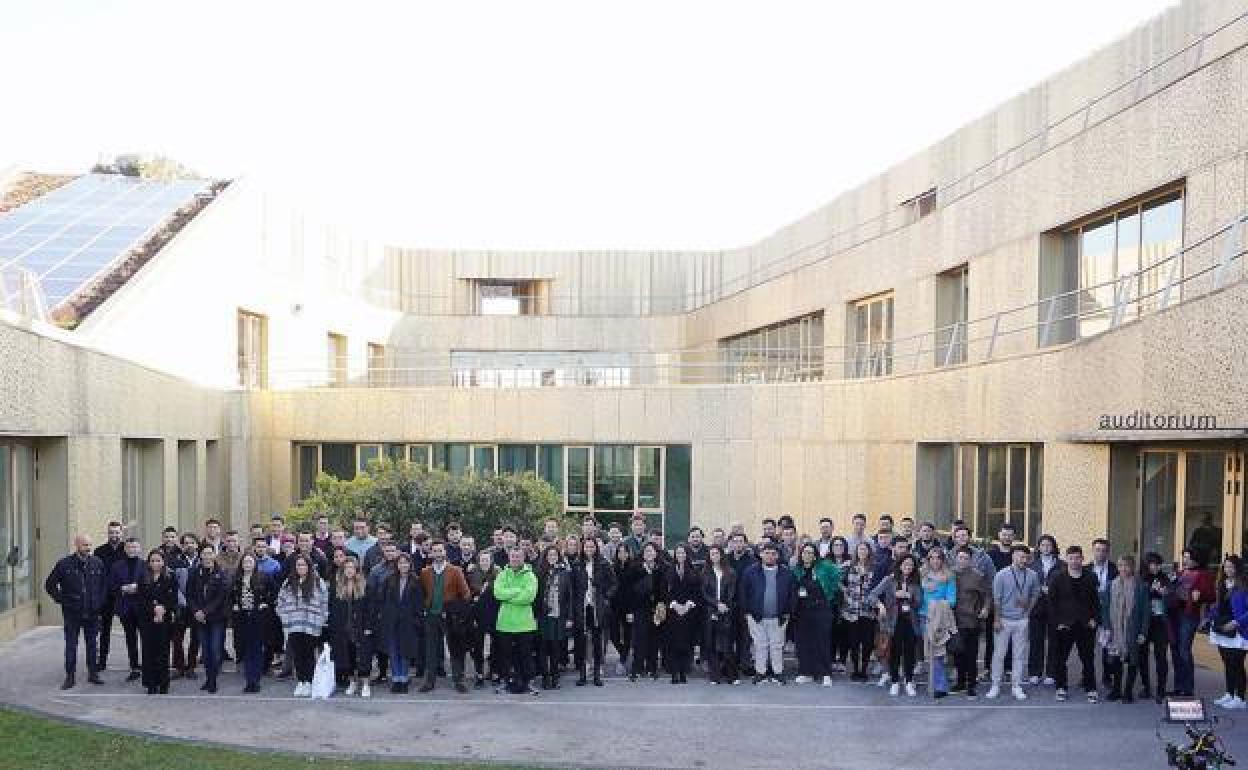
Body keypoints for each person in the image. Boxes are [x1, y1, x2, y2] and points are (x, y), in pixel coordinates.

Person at [45, 534, 108, 689]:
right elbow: (50, 585)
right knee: (71, 645)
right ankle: (70, 676)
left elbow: (104, 585)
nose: (88, 548)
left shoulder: (97, 563)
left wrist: (99, 602)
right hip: (72, 613)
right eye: (85, 545)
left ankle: (93, 674)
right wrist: (62, 600)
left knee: (92, 645)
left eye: (90, 545)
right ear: (77, 545)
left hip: (92, 613)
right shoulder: (64, 564)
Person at [1047, 544, 1101, 703]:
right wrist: (1057, 622)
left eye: (1077, 558)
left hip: (1086, 624)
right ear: (1066, 559)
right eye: (1071, 558)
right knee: (1060, 659)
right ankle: (1061, 687)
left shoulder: (1091, 577)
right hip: (1064, 625)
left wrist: (1095, 619)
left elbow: (1096, 601)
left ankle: (1091, 688)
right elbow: (1051, 603)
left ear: (1082, 559)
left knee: (1088, 659)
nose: (1074, 561)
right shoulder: (1057, 577)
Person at [418, 541, 472, 693]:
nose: (438, 554)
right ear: (431, 553)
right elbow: (421, 592)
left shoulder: (455, 571)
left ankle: (459, 680)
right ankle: (429, 681)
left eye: (440, 550)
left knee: (455, 649)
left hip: (450, 616)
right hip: (431, 616)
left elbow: (466, 594)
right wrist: (425, 608)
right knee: (431, 650)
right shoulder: (425, 572)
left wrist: (456, 609)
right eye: (435, 551)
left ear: (444, 552)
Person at [987, 544, 1039, 701]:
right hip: (1003, 619)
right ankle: (995, 685)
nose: (1023, 560)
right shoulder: (1001, 574)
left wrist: (1028, 609)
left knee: (1019, 655)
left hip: (1022, 620)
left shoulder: (1032, 575)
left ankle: (1016, 686)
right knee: (999, 654)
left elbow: (1035, 593)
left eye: (1026, 557)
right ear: (1013, 556)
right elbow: (996, 599)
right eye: (1020, 557)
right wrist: (997, 620)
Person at [740, 543, 796, 685]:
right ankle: (760, 672)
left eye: (773, 553)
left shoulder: (786, 573)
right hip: (756, 616)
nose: (770, 556)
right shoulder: (750, 572)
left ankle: (778, 672)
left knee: (777, 645)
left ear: (777, 556)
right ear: (761, 554)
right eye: (767, 553)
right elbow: (743, 592)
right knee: (760, 645)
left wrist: (788, 611)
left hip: (779, 616)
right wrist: (747, 612)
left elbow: (792, 594)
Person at [869, 553, 923, 697]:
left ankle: (909, 681)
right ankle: (894, 681)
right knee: (894, 652)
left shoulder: (916, 582)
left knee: (910, 653)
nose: (908, 567)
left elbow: (919, 603)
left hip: (911, 622)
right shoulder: (890, 580)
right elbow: (872, 595)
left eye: (911, 565)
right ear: (899, 565)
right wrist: (881, 605)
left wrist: (909, 596)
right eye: (906, 564)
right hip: (893, 622)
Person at [276, 554, 329, 697]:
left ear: (309, 566)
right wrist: (283, 615)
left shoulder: (318, 582)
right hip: (293, 624)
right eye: (298, 565)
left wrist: (322, 619)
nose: (301, 567)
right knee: (298, 654)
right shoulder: (288, 582)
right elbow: (280, 601)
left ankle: (309, 682)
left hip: (311, 624)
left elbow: (324, 602)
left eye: (304, 565)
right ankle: (301, 681)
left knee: (309, 654)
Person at [493, 546, 539, 695]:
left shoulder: (530, 575)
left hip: (524, 624)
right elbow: (498, 593)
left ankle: (529, 682)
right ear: (509, 557)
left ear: (523, 558)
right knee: (505, 656)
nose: (515, 559)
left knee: (525, 655)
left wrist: (508, 596)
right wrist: (518, 591)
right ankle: (506, 682)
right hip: (505, 623)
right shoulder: (502, 574)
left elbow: (529, 597)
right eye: (513, 556)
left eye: (518, 556)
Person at [792, 542, 839, 686]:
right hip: (802, 611)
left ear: (815, 556)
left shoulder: (824, 567)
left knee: (822, 642)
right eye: (805, 552)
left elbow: (837, 577)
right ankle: (806, 672)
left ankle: (825, 673)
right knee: (803, 642)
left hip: (821, 609)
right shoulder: (796, 570)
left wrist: (830, 593)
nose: (807, 555)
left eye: (810, 553)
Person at [571, 536, 615, 686]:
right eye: (586, 547)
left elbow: (613, 583)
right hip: (582, 607)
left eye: (592, 546)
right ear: (582, 548)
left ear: (596, 548)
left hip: (597, 608)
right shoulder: (577, 564)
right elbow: (572, 588)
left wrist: (605, 597)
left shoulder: (603, 563)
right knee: (581, 642)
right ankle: (583, 674)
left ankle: (597, 674)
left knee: (597, 642)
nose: (589, 549)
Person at [1171, 548, 1215, 696]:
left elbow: (1211, 596)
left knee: (1184, 650)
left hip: (1189, 615)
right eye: (1184, 557)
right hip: (1175, 614)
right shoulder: (1181, 573)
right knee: (1175, 650)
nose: (1185, 560)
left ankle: (1188, 688)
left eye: (1188, 557)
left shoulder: (1203, 574)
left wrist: (1200, 596)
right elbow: (1175, 591)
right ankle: (1178, 686)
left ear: (1196, 559)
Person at [378, 552, 423, 694]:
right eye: (400, 562)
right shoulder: (389, 579)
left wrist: (416, 620)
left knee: (405, 652)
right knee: (393, 652)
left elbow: (419, 604)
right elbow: (382, 599)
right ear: (396, 565)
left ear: (410, 564)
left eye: (406, 562)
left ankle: (404, 679)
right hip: (391, 621)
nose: (403, 565)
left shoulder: (416, 580)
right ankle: (396, 679)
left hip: (408, 623)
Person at [1105, 554, 1148, 703]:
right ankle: (1116, 690)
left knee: (1132, 661)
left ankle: (1128, 691)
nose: (1123, 569)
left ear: (1132, 567)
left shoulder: (1141, 586)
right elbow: (1105, 608)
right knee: (1115, 660)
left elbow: (1145, 612)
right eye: (1120, 565)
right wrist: (1107, 627)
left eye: (1126, 566)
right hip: (1115, 630)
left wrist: (1143, 632)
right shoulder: (1111, 584)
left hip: (1132, 629)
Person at [186, 545, 229, 693]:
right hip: (199, 618)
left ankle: (213, 679)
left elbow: (221, 597)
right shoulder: (194, 572)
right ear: (200, 555)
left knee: (215, 650)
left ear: (214, 555)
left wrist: (205, 611)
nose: (207, 556)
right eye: (204, 553)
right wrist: (196, 611)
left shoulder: (221, 573)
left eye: (210, 553)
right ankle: (209, 679)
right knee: (205, 651)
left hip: (217, 618)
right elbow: (189, 594)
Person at [231, 551, 275, 694]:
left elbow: (274, 592)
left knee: (256, 649)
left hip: (258, 618)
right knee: (246, 649)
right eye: (245, 562)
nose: (247, 564)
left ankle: (254, 680)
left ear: (255, 563)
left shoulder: (263, 577)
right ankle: (249, 679)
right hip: (242, 618)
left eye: (250, 562)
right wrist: (234, 605)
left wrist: (265, 604)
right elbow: (230, 596)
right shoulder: (237, 578)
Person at [328, 556, 372, 697]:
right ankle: (352, 682)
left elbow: (370, 608)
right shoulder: (337, 587)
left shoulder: (365, 586)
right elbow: (332, 608)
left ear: (357, 569)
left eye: (352, 567)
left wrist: (368, 626)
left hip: (360, 627)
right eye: (346, 567)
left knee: (363, 657)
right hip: (342, 629)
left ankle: (365, 684)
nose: (349, 570)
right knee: (347, 657)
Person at [1209, 555, 1248, 710]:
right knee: (1227, 662)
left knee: (1237, 663)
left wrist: (1237, 622)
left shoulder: (1244, 584)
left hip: (1238, 629)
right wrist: (1210, 616)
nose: (1228, 570)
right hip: (1222, 627)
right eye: (1226, 566)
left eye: (1231, 566)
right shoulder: (1221, 583)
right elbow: (1219, 605)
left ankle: (1240, 698)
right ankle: (1229, 693)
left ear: (1238, 568)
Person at [136, 549, 177, 694]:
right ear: (148, 563)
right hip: (147, 619)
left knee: (163, 651)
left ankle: (164, 683)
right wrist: (154, 609)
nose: (155, 563)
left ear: (163, 562)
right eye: (152, 561)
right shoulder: (143, 577)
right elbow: (141, 599)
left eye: (158, 560)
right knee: (148, 651)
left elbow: (173, 599)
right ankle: (151, 683)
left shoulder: (170, 577)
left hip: (164, 620)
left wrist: (163, 609)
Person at [951, 545, 990, 697]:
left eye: (966, 558)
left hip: (972, 621)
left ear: (970, 560)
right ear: (956, 558)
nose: (963, 560)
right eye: (960, 557)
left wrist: (985, 608)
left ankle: (971, 684)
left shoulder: (977, 576)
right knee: (957, 653)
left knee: (971, 654)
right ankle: (960, 682)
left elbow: (987, 594)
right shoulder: (950, 574)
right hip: (954, 621)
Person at [920, 547, 957, 698]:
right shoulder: (922, 575)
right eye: (932, 558)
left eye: (938, 558)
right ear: (928, 560)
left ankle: (940, 687)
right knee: (928, 652)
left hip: (940, 618)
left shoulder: (948, 577)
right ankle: (932, 683)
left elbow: (952, 600)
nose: (935, 561)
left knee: (938, 653)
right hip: (924, 616)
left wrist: (935, 604)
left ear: (942, 560)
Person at [108, 537, 145, 682]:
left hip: (142, 608)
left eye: (135, 547)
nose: (132, 550)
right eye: (129, 547)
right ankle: (134, 667)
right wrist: (122, 588)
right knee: (130, 639)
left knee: (146, 638)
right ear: (125, 549)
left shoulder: (145, 565)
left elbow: (150, 585)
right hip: (125, 608)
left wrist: (138, 588)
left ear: (139, 549)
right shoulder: (116, 566)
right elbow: (111, 586)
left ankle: (147, 665)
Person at [536, 545, 573, 689]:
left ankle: (555, 677)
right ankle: (545, 677)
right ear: (545, 557)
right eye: (549, 555)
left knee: (556, 648)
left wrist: (569, 617)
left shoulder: (564, 573)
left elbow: (569, 596)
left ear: (558, 557)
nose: (552, 557)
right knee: (543, 648)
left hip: (558, 616)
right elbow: (536, 596)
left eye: (555, 555)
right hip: (543, 616)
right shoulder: (539, 572)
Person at [1138, 552, 1173, 703]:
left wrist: (1164, 593)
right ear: (1147, 564)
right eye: (1153, 564)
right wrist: (1149, 590)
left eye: (1159, 564)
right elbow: (1136, 599)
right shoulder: (1140, 578)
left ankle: (1161, 689)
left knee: (1161, 656)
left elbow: (1172, 599)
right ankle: (1146, 686)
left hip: (1160, 622)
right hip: (1144, 623)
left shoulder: (1165, 578)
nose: (1156, 567)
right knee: (1142, 655)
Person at [664, 543, 701, 684]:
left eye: (683, 553)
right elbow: (665, 591)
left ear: (687, 555)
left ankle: (684, 671)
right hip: (673, 612)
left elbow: (697, 591)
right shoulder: (669, 570)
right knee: (673, 643)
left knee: (686, 642)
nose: (680, 555)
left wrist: (687, 605)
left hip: (688, 612)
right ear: (675, 555)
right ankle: (674, 672)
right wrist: (675, 605)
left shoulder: (694, 571)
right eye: (678, 553)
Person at [628, 542, 666, 681]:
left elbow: (663, 590)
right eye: (647, 551)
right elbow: (630, 591)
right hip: (640, 609)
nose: (649, 553)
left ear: (656, 553)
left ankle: (652, 668)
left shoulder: (661, 569)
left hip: (655, 609)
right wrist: (630, 611)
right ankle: (637, 668)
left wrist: (661, 606)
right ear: (643, 554)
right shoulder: (635, 569)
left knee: (654, 640)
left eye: (652, 551)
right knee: (639, 640)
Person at [1027, 534, 1061, 685]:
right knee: (1036, 640)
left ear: (1053, 547)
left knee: (1054, 641)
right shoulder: (1032, 564)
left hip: (1055, 607)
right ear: (1038, 547)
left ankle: (1052, 673)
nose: (1046, 548)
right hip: (1036, 606)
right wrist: (1040, 589)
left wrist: (1052, 590)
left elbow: (1064, 585)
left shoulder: (1061, 565)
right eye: (1043, 545)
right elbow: (1028, 585)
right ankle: (1035, 672)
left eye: (1049, 545)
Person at [702, 544, 738, 684]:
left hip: (727, 611)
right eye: (712, 554)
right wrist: (716, 604)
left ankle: (732, 676)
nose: (714, 556)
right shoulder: (705, 572)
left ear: (722, 555)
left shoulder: (730, 572)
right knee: (711, 645)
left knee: (727, 645)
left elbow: (732, 592)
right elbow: (704, 593)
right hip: (710, 611)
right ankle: (715, 676)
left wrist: (724, 605)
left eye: (717, 553)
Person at [841, 541, 877, 682]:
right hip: (852, 610)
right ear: (856, 551)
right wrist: (845, 591)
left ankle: (864, 670)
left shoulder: (874, 568)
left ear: (869, 551)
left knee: (867, 643)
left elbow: (878, 587)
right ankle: (856, 669)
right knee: (854, 642)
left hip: (868, 611)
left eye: (865, 549)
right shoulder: (849, 566)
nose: (862, 552)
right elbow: (836, 578)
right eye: (860, 549)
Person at [92, 522, 126, 672]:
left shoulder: (127, 549)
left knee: (130, 630)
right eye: (111, 532)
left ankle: (134, 662)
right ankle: (102, 661)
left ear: (121, 533)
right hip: (105, 596)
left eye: (117, 532)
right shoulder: (99, 551)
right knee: (104, 630)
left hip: (123, 596)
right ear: (108, 533)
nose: (114, 535)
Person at [466, 549, 500, 687]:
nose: (485, 562)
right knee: (477, 646)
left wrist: (487, 589)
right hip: (477, 614)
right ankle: (479, 674)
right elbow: (468, 593)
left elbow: (500, 592)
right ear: (478, 562)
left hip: (494, 613)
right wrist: (478, 593)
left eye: (487, 560)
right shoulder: (472, 574)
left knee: (495, 645)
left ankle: (494, 672)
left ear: (491, 561)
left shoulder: (498, 573)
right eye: (482, 560)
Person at [168, 532, 200, 679]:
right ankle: (178, 666)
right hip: (180, 606)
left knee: (195, 638)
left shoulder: (203, 561)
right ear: (182, 546)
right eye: (186, 543)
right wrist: (183, 602)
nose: (189, 545)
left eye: (192, 543)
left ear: (197, 545)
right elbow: (173, 585)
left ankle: (191, 667)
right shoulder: (175, 562)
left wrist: (196, 604)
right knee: (177, 638)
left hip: (197, 607)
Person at [1089, 538, 1119, 689]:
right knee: (1087, 646)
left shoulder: (1115, 569)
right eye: (1097, 550)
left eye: (1104, 550)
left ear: (1108, 552)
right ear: (1093, 551)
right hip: (1090, 613)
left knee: (1107, 646)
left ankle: (1107, 676)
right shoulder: (1086, 569)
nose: (1100, 553)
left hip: (1108, 612)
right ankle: (1087, 676)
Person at [826, 536, 852, 673]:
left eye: (841, 545)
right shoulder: (825, 562)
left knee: (844, 631)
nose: (838, 547)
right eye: (835, 545)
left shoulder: (851, 561)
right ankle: (830, 659)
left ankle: (842, 660)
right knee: (831, 631)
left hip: (847, 601)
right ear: (831, 547)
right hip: (830, 601)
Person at [611, 544, 636, 675]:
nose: (622, 554)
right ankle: (624, 654)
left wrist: (631, 610)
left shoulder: (633, 567)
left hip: (628, 607)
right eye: (619, 552)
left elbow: (634, 590)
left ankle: (623, 660)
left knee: (627, 635)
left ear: (628, 553)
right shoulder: (612, 567)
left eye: (624, 552)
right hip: (614, 606)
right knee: (613, 635)